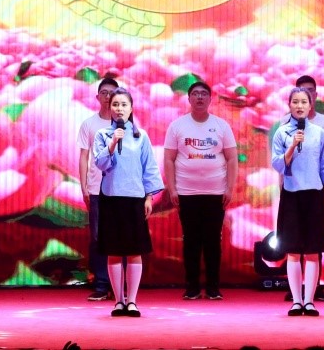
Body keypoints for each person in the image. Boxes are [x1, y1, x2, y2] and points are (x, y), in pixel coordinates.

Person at [92, 88, 164, 318]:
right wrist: (113, 142)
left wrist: (149, 196)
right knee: (114, 251)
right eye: (115, 104)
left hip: (135, 198)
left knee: (134, 252)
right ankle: (118, 301)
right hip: (111, 198)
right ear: (109, 108)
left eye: (124, 104)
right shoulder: (103, 135)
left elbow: (149, 166)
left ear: (131, 108)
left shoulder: (141, 136)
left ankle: (132, 301)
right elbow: (100, 163)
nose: (119, 109)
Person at [163, 81, 238, 301]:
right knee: (191, 241)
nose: (199, 97)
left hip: (216, 193)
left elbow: (232, 158)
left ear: (210, 99)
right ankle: (192, 287)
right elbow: (169, 159)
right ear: (188, 99)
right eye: (195, 94)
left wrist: (229, 188)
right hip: (186, 193)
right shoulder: (177, 126)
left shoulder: (221, 126)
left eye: (204, 94)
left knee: (213, 240)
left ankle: (213, 287)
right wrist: (172, 189)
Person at [271, 87, 324, 317]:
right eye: (295, 102)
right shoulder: (281, 133)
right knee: (292, 251)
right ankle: (296, 301)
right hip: (291, 194)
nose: (299, 106)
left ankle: (309, 301)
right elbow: (277, 164)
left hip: (314, 195)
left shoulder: (319, 133)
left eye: (303, 102)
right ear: (289, 105)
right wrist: (292, 146)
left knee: (312, 251)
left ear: (311, 106)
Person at [291, 75, 324, 303]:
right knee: (292, 241)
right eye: (300, 92)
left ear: (315, 97)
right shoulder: (284, 125)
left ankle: (314, 289)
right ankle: (294, 290)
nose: (305, 96)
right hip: (291, 189)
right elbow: (279, 162)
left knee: (314, 241)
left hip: (316, 189)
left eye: (309, 91)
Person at [77, 77, 119, 301]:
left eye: (112, 93)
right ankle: (101, 284)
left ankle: (119, 285)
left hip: (121, 189)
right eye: (104, 92)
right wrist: (83, 185)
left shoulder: (125, 124)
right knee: (97, 237)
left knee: (120, 236)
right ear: (97, 97)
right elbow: (84, 157)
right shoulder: (89, 124)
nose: (108, 96)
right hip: (96, 187)